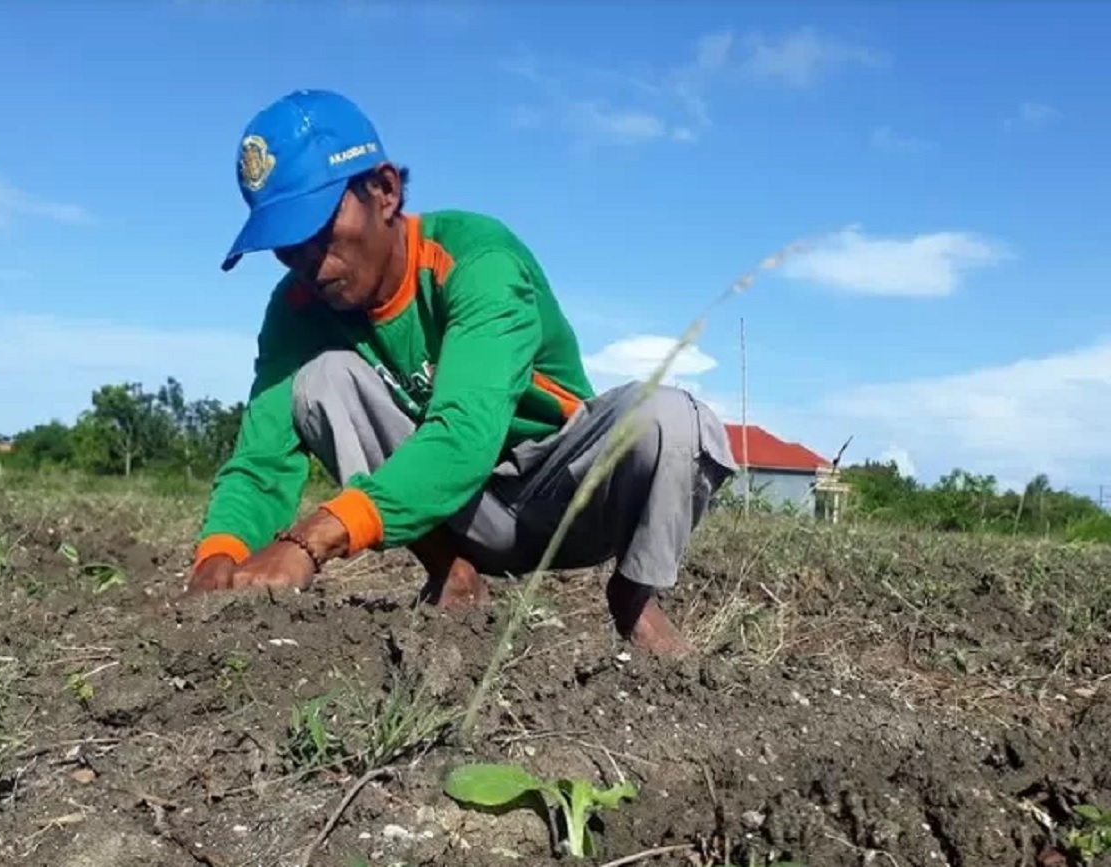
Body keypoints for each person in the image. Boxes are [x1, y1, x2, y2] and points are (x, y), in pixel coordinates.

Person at [186, 89, 737, 657]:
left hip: (562, 494)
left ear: (384, 192)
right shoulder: (299, 308)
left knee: (674, 419)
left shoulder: (477, 259)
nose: (305, 259)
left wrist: (312, 539)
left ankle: (634, 595)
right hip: (458, 517)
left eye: (319, 229)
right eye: (285, 243)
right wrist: (218, 555)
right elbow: (260, 457)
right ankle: (452, 572)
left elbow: (466, 433)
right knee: (322, 382)